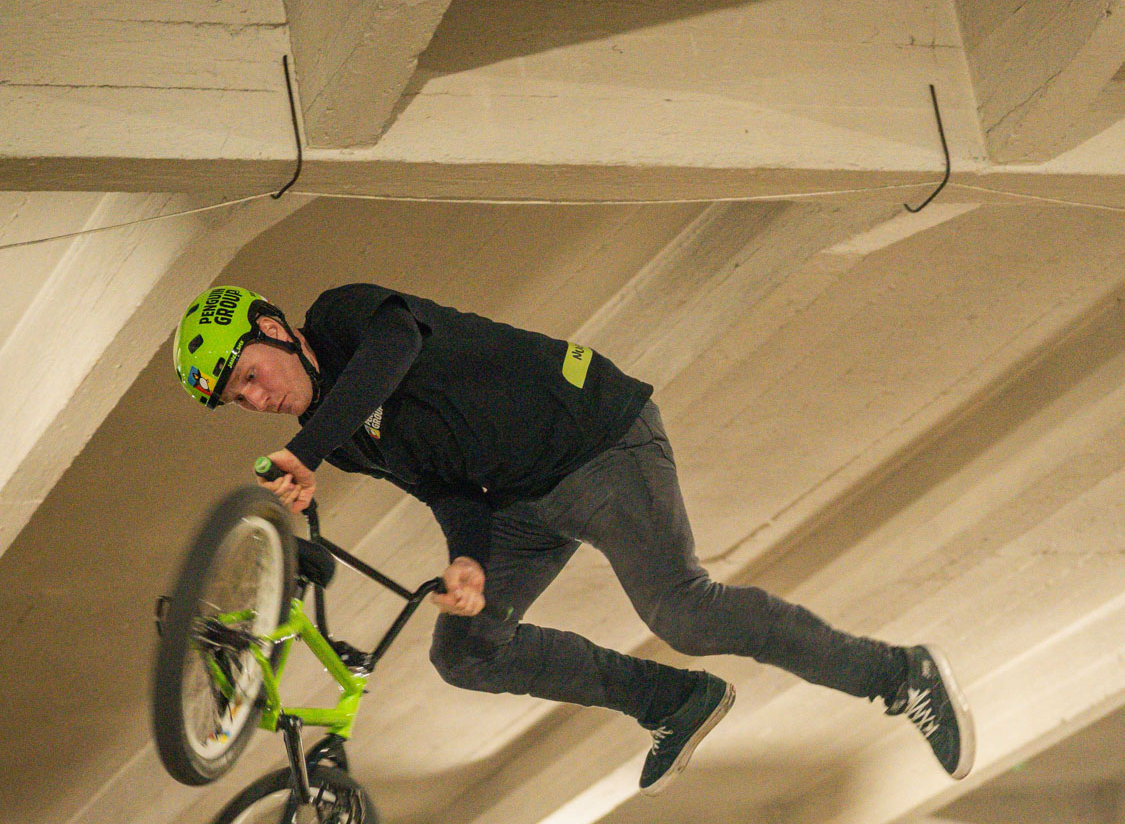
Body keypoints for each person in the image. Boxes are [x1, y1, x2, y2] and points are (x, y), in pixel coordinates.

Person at [173, 283, 975, 793]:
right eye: (238, 401)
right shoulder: (345, 439)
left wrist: (308, 451)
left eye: (250, 376)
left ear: (275, 329)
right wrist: (467, 560)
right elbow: (447, 488)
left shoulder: (346, 317)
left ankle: (898, 674)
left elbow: (396, 350)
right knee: (464, 652)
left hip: (597, 442)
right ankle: (672, 701)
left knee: (681, 611)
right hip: (521, 501)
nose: (256, 400)